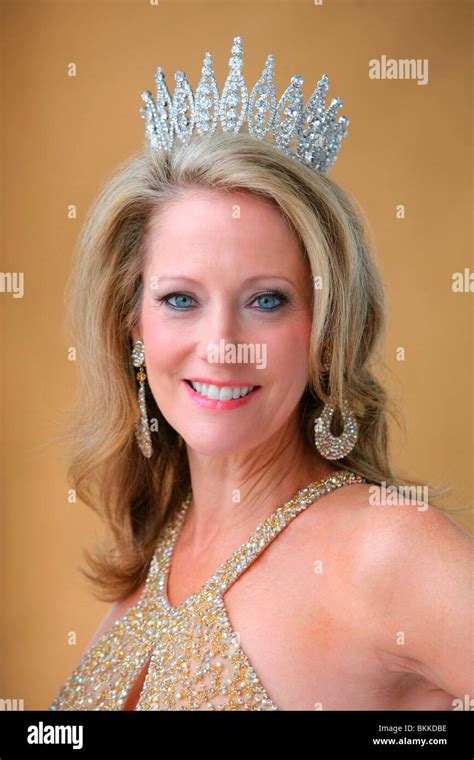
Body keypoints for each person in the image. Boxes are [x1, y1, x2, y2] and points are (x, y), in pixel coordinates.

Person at [49, 37, 472, 711]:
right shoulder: (154, 553)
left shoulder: (388, 550)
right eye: (180, 299)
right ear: (133, 321)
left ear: (326, 327)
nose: (222, 347)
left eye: (266, 300)